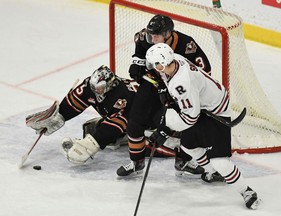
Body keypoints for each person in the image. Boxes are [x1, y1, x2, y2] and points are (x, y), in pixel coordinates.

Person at [145, 43, 260, 209]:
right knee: (188, 145)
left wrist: (165, 131)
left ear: (162, 64)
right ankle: (212, 172)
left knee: (220, 161)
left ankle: (247, 191)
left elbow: (190, 118)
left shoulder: (181, 84)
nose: (154, 68)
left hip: (216, 112)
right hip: (203, 106)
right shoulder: (175, 60)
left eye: (155, 65)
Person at [117, 14, 210, 176]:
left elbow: (204, 70)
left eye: (156, 36)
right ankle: (136, 162)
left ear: (168, 34)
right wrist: (136, 64)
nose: (151, 39)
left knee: (186, 123)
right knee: (135, 121)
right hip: (152, 82)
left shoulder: (186, 45)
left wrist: (188, 88)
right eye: (150, 35)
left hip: (178, 88)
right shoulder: (143, 37)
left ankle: (184, 161)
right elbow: (139, 54)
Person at [25, 65, 175, 165]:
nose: (96, 91)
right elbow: (75, 101)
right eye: (94, 87)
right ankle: (119, 137)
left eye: (101, 88)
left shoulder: (123, 95)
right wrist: (59, 116)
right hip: (128, 115)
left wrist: (91, 144)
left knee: (140, 137)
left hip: (155, 112)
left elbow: (120, 121)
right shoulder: (89, 86)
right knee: (92, 128)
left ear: (111, 84)